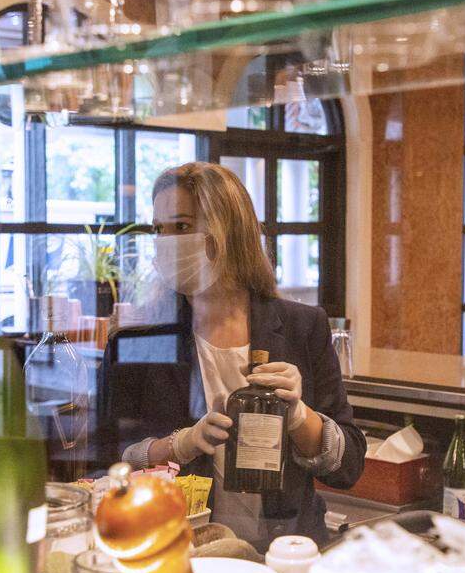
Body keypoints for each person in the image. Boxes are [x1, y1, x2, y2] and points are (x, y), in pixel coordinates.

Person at [119, 162, 366, 549]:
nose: (166, 243)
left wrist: (300, 418)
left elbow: (348, 466)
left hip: (287, 554)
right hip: (180, 552)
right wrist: (179, 445)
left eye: (181, 227)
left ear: (227, 231)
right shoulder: (142, 339)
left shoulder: (302, 327)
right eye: (158, 230)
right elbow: (112, 464)